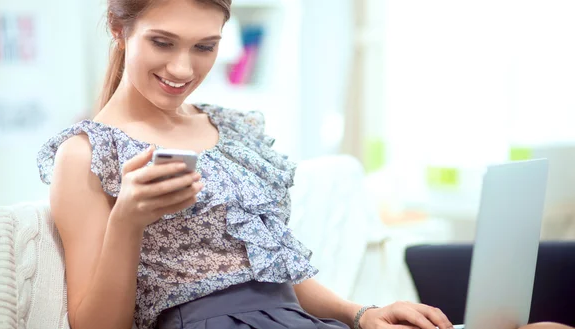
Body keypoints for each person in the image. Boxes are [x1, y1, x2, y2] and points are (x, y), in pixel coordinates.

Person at [36, 1, 575, 329]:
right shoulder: (85, 153)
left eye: (204, 46)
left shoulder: (235, 129)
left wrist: (359, 313)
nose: (183, 67)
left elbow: (275, 272)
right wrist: (128, 220)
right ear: (118, 26)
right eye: (162, 42)